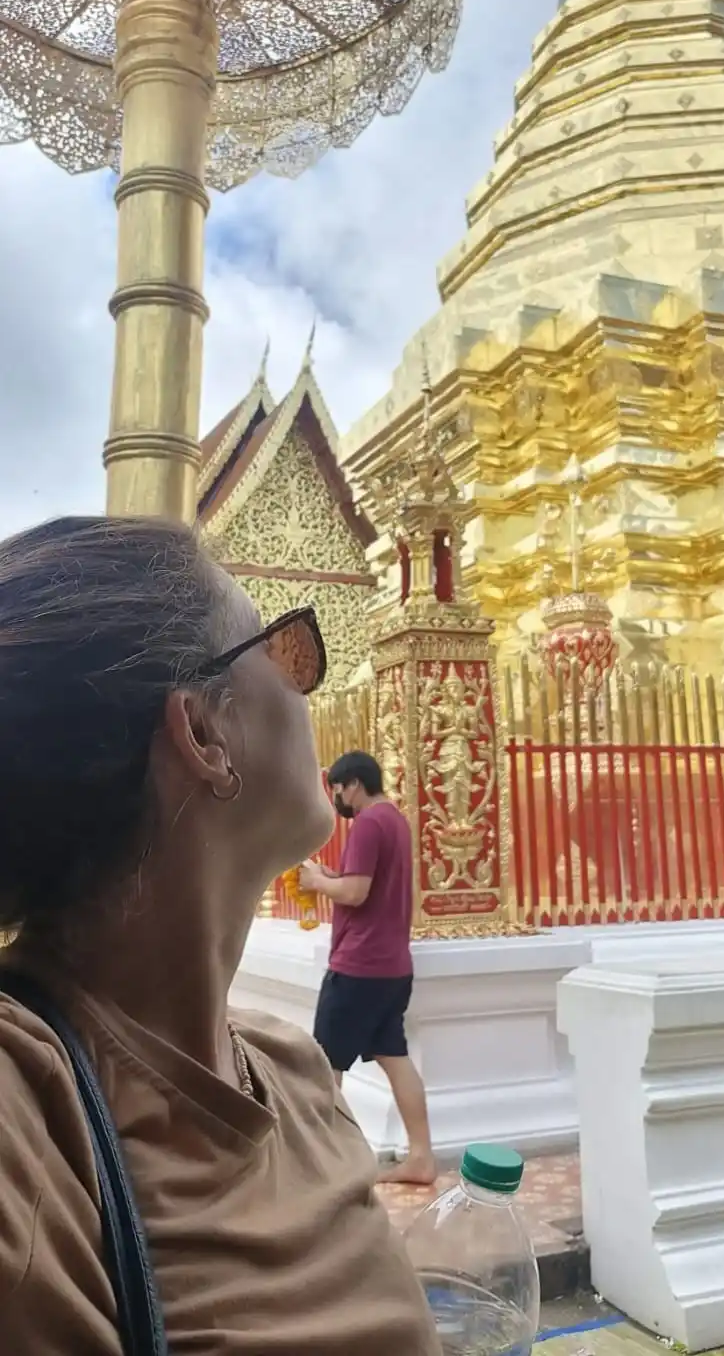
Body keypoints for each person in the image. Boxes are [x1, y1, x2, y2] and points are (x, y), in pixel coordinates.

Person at [0, 515, 440, 1354]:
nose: (312, 684)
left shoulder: (296, 1074)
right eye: (288, 650)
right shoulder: (29, 1122)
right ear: (203, 734)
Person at [302, 751, 437, 1186]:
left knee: (324, 1066)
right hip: (393, 966)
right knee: (395, 1058)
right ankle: (421, 1156)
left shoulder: (366, 823)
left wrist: (317, 882)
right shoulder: (394, 820)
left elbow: (357, 892)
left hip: (359, 966)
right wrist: (332, 876)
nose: (337, 799)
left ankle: (330, 1165)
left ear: (354, 785)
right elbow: (366, 886)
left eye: (337, 789)